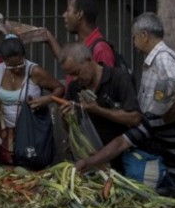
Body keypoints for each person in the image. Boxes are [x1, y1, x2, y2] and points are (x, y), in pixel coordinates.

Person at [75, 78, 175, 202]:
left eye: (167, 110)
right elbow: (123, 142)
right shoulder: (154, 119)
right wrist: (88, 162)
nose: (162, 114)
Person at [59, 42, 140, 171]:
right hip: (89, 162)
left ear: (89, 60)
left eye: (77, 72)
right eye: (71, 75)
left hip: (121, 160)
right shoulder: (75, 87)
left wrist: (98, 110)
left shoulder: (118, 78)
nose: (75, 78)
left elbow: (135, 118)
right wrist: (65, 117)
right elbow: (69, 129)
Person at [0, 35, 64, 164]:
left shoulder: (35, 71)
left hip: (31, 131)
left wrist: (46, 99)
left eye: (20, 64)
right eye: (11, 67)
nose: (17, 69)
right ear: (3, 60)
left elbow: (60, 88)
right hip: (7, 133)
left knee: (31, 166)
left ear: (24, 56)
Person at [131, 12, 175, 114]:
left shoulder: (163, 59)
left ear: (144, 36)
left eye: (134, 37)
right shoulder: (154, 60)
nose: (133, 43)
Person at [41, 0, 115, 67]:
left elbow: (107, 78)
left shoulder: (101, 49)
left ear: (79, 14)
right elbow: (68, 64)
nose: (64, 15)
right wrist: (49, 37)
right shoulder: (83, 43)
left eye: (68, 10)